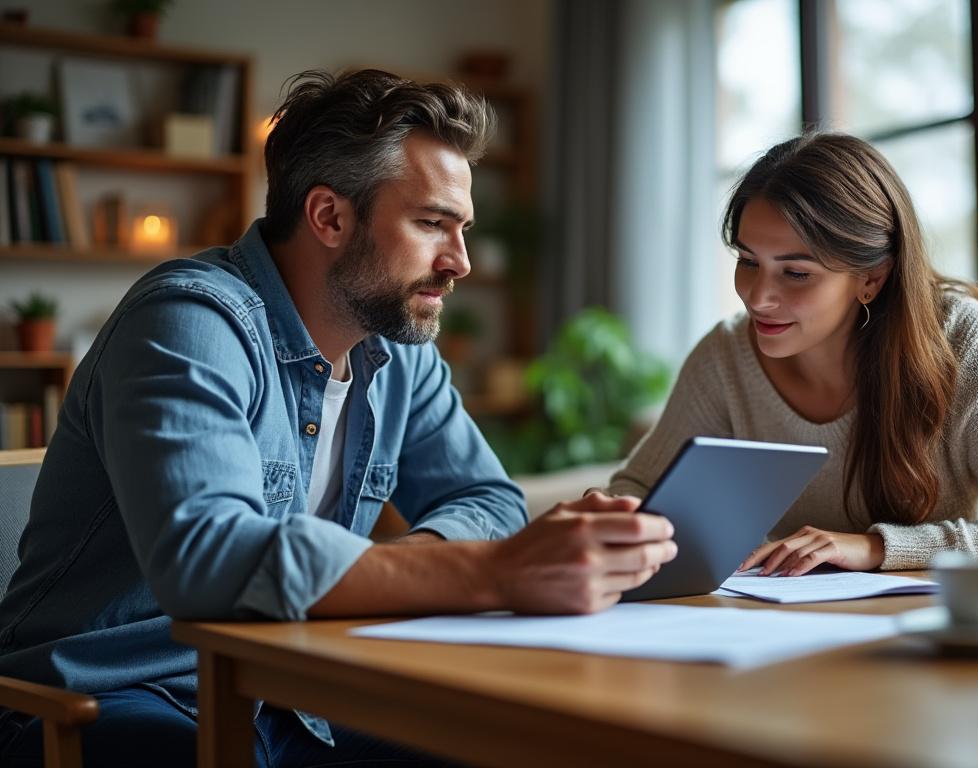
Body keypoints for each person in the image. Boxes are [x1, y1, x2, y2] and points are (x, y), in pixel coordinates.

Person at [0, 69, 675, 767]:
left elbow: (487, 499)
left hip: (293, 690)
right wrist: (493, 573)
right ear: (328, 217)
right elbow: (210, 560)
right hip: (109, 697)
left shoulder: (395, 345)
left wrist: (405, 567)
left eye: (462, 229)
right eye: (431, 224)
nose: (461, 262)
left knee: (523, 745)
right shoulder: (187, 324)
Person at [605, 132, 978, 578]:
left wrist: (875, 548)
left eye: (795, 273)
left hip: (931, 636)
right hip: (781, 629)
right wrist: (614, 519)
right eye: (749, 261)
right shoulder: (726, 355)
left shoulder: (960, 338)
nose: (757, 297)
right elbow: (638, 490)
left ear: (871, 278)